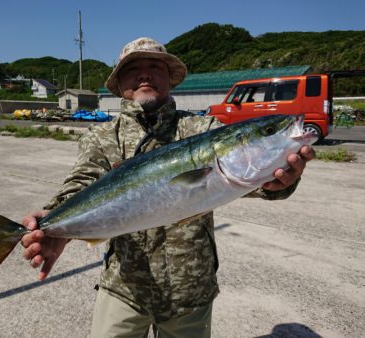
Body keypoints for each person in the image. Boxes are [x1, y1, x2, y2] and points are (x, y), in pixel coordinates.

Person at [20, 37, 315, 337]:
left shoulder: (203, 129)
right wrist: (53, 219)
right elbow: (81, 182)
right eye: (134, 68)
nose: (144, 73)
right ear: (121, 82)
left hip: (191, 291)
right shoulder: (101, 136)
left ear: (170, 79)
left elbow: (258, 182)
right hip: (124, 288)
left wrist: (281, 180)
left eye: (154, 66)